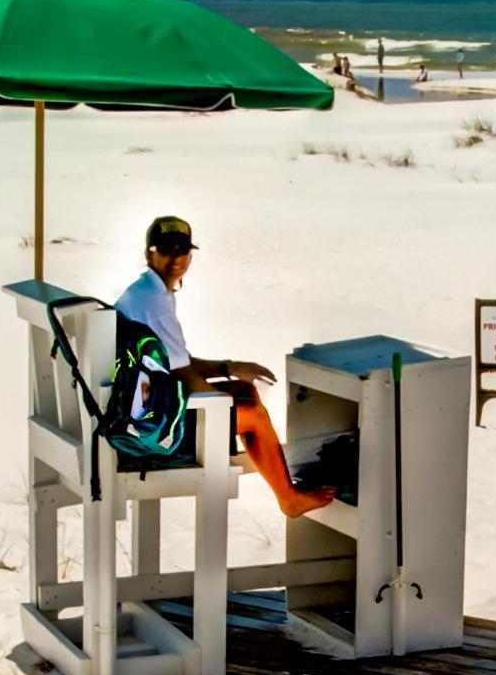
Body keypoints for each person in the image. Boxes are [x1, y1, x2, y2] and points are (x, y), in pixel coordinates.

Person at [117, 216, 336, 518]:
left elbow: (177, 360)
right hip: (150, 425)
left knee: (242, 389)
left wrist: (228, 367)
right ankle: (289, 498)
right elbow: (184, 374)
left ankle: (273, 468)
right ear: (149, 254)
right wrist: (221, 413)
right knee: (255, 418)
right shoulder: (153, 302)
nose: (176, 259)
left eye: (182, 251)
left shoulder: (147, 292)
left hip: (145, 401)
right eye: (167, 250)